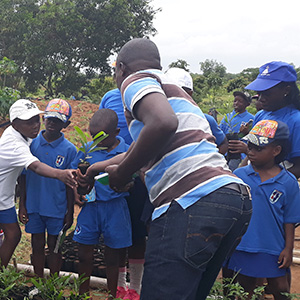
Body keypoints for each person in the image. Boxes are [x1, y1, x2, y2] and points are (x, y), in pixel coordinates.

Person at [93, 38, 250, 300]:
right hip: (232, 198)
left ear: (121, 68)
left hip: (192, 202)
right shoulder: (176, 93)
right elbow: (142, 148)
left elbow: (164, 123)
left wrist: (120, 174)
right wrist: (97, 169)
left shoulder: (136, 80)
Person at [0, 99, 78, 268]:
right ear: (15, 124)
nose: (35, 126)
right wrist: (61, 174)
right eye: (28, 122)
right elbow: (36, 167)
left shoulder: (23, 135)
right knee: (14, 234)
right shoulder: (15, 144)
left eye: (36, 120)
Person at [224, 120, 300, 300]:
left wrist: (288, 249)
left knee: (280, 289)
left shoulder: (288, 182)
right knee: (243, 290)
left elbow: (290, 220)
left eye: (258, 149)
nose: (250, 152)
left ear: (276, 151)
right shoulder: (239, 176)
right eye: (249, 146)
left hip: (272, 247)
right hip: (241, 245)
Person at [72, 109, 132, 298]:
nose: (96, 141)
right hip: (91, 207)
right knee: (84, 253)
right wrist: (76, 190)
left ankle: (112, 294)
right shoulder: (87, 150)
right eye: (93, 136)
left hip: (115, 207)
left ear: (116, 132)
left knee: (113, 256)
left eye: (102, 137)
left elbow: (134, 179)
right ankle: (83, 294)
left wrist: (126, 186)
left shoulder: (128, 151)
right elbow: (75, 175)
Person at [98, 88, 150, 294]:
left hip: (138, 171)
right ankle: (119, 285)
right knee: (115, 235)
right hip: (113, 169)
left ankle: (135, 287)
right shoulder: (109, 96)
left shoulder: (149, 94)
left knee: (137, 234)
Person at [18, 99, 77, 278]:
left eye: (57, 121)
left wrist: (69, 211)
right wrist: (22, 204)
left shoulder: (69, 150)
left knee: (54, 246)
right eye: (49, 119)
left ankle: (53, 282)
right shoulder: (30, 144)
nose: (52, 123)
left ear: (66, 124)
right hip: (34, 205)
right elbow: (23, 177)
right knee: (36, 245)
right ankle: (38, 280)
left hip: (57, 208)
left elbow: (70, 183)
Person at [231, 61, 300, 178]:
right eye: (259, 94)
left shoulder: (296, 121)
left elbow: (298, 166)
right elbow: (253, 153)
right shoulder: (261, 115)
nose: (261, 99)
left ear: (286, 91)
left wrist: (267, 183)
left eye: (267, 94)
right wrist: (237, 176)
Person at [165, 68, 227, 153]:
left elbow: (223, 144)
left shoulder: (205, 120)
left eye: (177, 92)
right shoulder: (156, 120)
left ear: (189, 94)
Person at [220, 91, 254, 171]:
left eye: (240, 101)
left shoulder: (251, 119)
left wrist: (247, 133)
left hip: (242, 156)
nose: (236, 103)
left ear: (247, 104)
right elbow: (220, 133)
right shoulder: (227, 117)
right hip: (226, 154)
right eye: (235, 100)